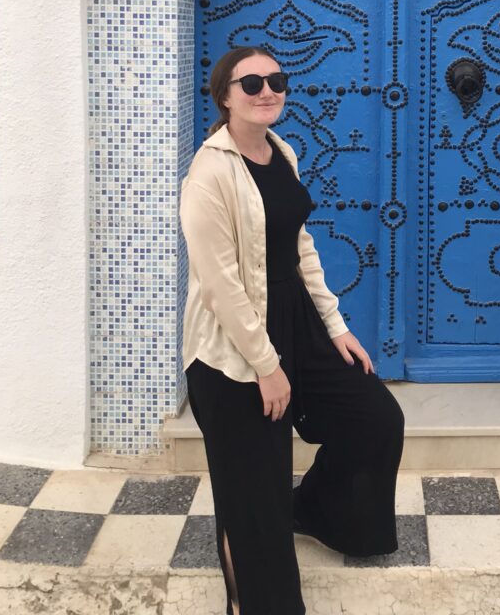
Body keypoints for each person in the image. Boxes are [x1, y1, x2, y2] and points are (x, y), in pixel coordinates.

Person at [180, 45, 405, 615]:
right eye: (250, 83)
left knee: (377, 419)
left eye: (275, 80)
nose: (266, 91)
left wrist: (334, 325)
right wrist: (267, 366)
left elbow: (298, 245)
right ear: (224, 95)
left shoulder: (283, 151)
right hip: (233, 347)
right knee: (254, 494)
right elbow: (220, 286)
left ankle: (316, 511)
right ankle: (249, 599)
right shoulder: (208, 173)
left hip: (296, 320)